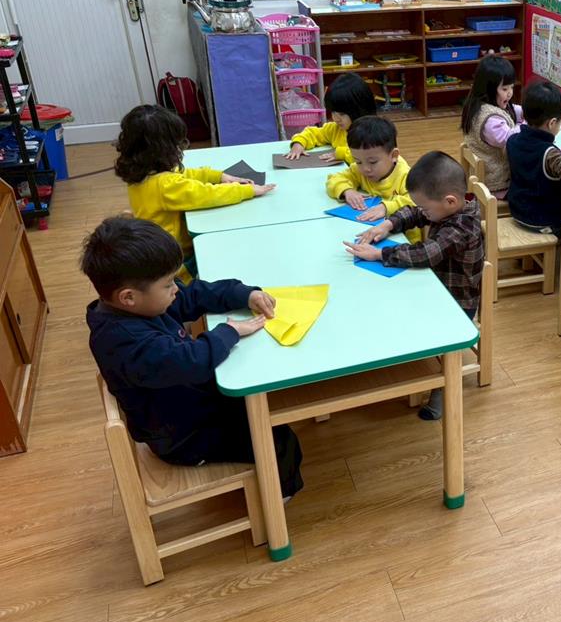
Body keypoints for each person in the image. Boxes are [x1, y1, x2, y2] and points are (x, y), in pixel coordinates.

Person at [82, 216, 303, 498]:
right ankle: (277, 500)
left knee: (262, 396)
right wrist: (229, 331)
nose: (176, 288)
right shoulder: (121, 341)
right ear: (128, 297)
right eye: (167, 285)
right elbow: (191, 361)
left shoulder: (143, 305)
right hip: (184, 437)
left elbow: (194, 295)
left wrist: (244, 294)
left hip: (190, 405)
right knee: (277, 436)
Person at [343, 151, 483, 421]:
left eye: (427, 209)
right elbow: (416, 211)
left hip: (456, 303)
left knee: (400, 313)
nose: (424, 212)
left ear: (450, 201)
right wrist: (389, 223)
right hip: (436, 287)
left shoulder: (461, 227)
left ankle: (442, 387)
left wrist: (380, 254)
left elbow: (426, 254)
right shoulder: (447, 207)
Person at [114, 105, 275, 279]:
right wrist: (247, 190)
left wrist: (219, 176)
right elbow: (208, 195)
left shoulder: (143, 173)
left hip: (155, 249)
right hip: (176, 262)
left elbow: (181, 174)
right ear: (163, 149)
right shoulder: (165, 185)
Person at [505, 81, 561, 235]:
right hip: (546, 219)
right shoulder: (549, 153)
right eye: (560, 122)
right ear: (552, 123)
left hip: (518, 210)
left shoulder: (512, 140)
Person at [324, 115, 420, 242]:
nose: (365, 169)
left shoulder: (406, 176)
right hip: (369, 231)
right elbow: (334, 179)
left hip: (405, 240)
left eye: (373, 162)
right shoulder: (359, 170)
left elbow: (416, 202)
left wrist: (386, 207)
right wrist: (346, 190)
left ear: (394, 155)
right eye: (358, 161)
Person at [460, 55, 523, 193]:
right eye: (504, 89)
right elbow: (510, 139)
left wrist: (530, 111)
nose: (510, 93)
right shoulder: (491, 120)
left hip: (486, 174)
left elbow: (513, 111)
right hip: (498, 183)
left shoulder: (480, 105)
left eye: (512, 87)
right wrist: (525, 126)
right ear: (488, 89)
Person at [285, 73, 376, 163]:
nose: (336, 118)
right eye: (333, 112)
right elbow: (313, 133)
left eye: (342, 114)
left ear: (360, 109)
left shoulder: (372, 133)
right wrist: (299, 143)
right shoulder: (336, 130)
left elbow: (367, 157)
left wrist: (341, 154)